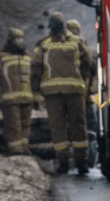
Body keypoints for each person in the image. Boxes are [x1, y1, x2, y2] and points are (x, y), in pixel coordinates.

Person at [32, 11, 95, 174]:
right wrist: (84, 84)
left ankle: (64, 162)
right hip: (75, 91)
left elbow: (36, 69)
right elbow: (87, 65)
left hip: (53, 94)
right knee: (78, 126)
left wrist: (35, 91)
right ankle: (82, 162)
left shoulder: (43, 44)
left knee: (58, 127)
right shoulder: (77, 41)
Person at [0, 27, 34, 155]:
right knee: (13, 126)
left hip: (27, 97)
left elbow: (35, 76)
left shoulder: (28, 56)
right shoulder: (1, 57)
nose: (20, 41)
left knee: (26, 125)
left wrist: (36, 95)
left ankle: (24, 148)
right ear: (10, 40)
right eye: (17, 38)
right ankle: (15, 150)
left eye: (21, 38)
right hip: (10, 99)